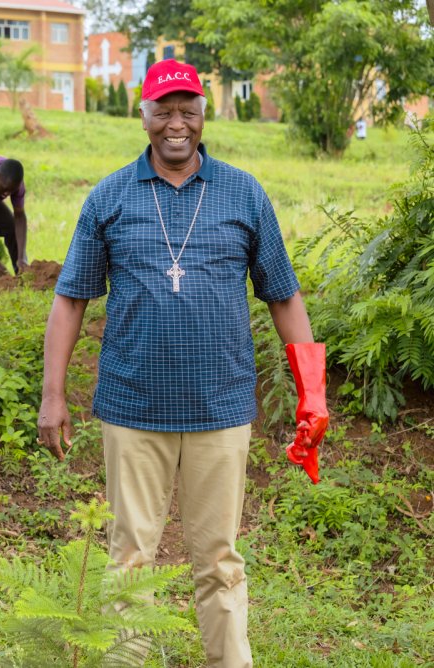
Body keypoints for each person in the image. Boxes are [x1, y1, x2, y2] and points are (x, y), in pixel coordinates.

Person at [36, 59, 329, 668]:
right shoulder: (110, 196)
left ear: (203, 115)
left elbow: (283, 295)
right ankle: (126, 662)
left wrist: (313, 394)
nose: (177, 123)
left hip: (221, 407)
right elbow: (71, 300)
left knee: (220, 559)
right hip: (132, 407)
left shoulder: (244, 193)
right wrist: (53, 394)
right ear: (142, 116)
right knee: (129, 558)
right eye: (163, 111)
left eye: (187, 111)